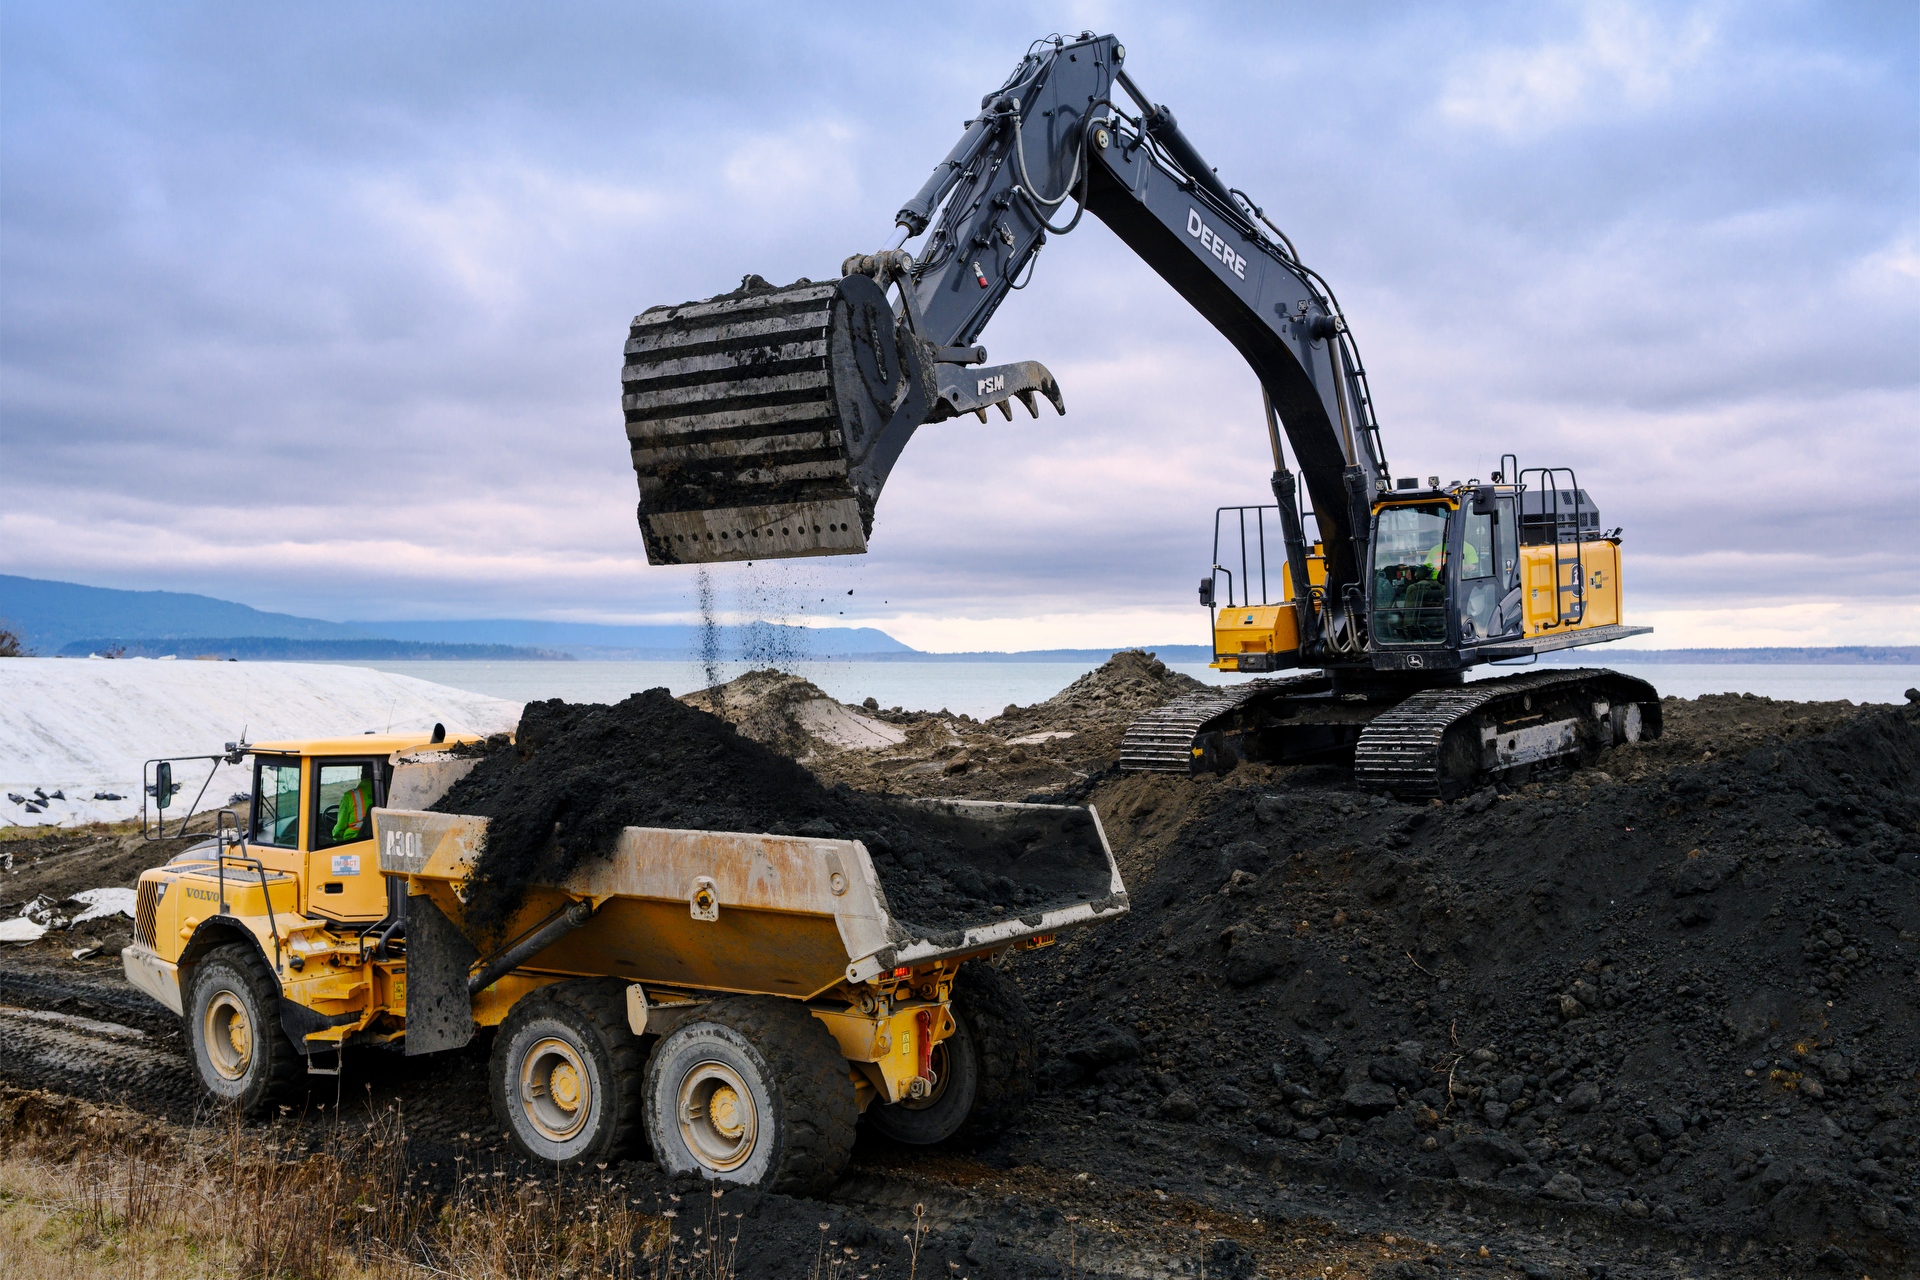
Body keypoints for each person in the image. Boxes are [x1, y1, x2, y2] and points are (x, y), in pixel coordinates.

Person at [332, 769, 374, 843]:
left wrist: (335, 836)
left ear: (361, 776)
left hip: (353, 840)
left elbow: (339, 829)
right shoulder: (387, 792)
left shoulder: (349, 796)